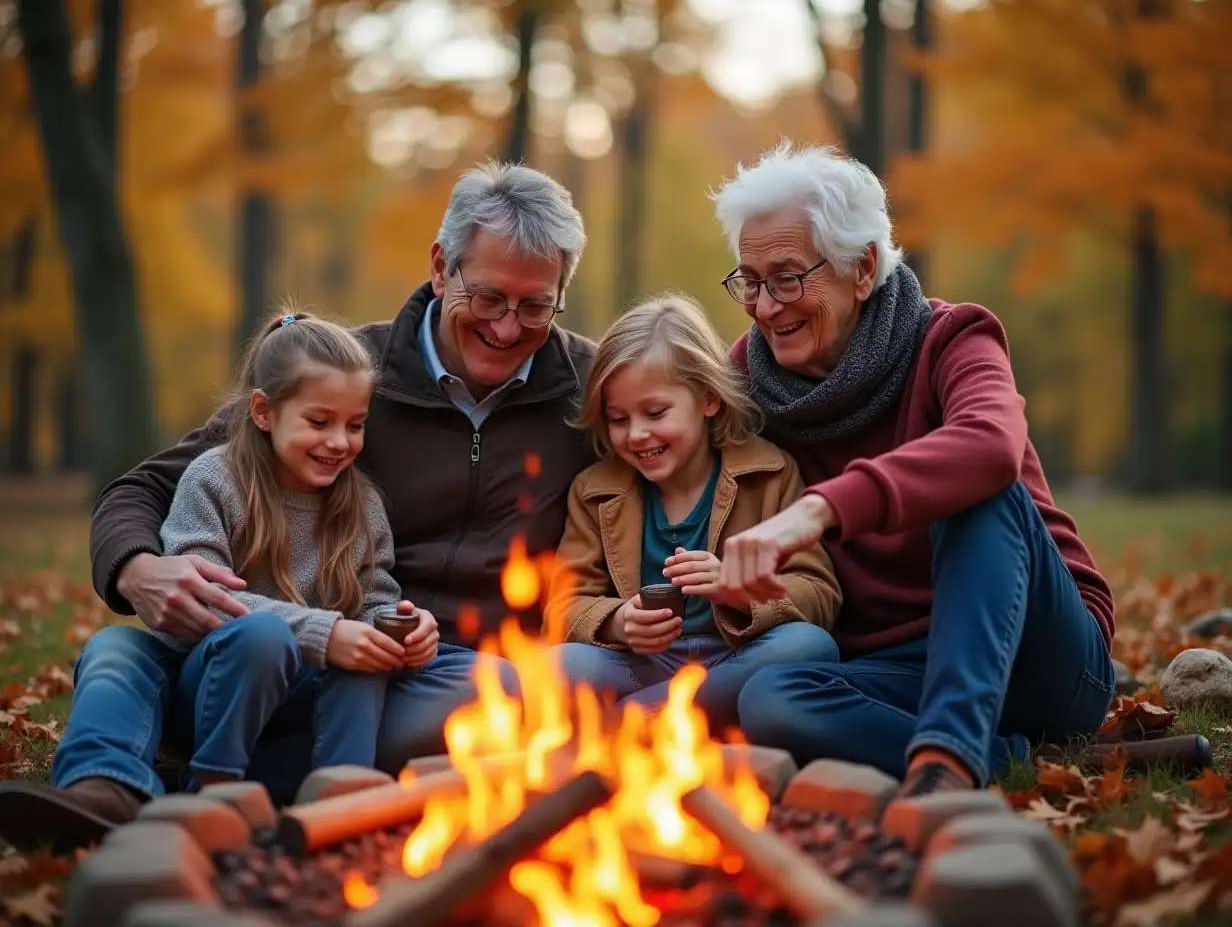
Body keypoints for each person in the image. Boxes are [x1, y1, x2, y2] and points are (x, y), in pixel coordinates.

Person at [0, 161, 596, 852]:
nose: (507, 326)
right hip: (256, 648)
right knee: (119, 652)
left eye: (536, 305)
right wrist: (137, 569)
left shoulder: (590, 389)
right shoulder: (342, 375)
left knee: (508, 695)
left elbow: (692, 437)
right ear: (442, 267)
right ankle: (104, 790)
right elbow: (144, 488)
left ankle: (239, 790)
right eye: (490, 297)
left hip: (413, 673)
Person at [708, 142, 1116, 797]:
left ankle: (947, 765)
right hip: (896, 669)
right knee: (773, 699)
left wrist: (818, 510)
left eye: (787, 277)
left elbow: (989, 447)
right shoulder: (747, 379)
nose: (765, 306)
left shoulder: (952, 338)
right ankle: (1002, 756)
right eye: (749, 281)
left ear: (862, 267)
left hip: (1041, 657)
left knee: (981, 490)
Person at [157, 310, 439, 793]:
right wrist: (325, 634)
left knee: (366, 657)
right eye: (319, 421)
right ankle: (212, 792)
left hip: (307, 690)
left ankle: (339, 794)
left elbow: (374, 600)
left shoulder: (361, 502)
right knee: (262, 637)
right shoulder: (214, 480)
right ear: (264, 411)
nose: (339, 442)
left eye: (355, 425)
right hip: (213, 683)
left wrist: (402, 627)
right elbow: (201, 603)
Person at [547, 294, 842, 731]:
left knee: (809, 646)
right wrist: (618, 623)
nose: (637, 434)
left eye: (655, 412)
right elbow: (563, 606)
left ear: (708, 399)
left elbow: (819, 593)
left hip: (736, 657)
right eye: (619, 419)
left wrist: (739, 590)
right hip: (639, 665)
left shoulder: (768, 473)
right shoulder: (595, 491)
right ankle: (684, 717)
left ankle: (638, 723)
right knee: (556, 666)